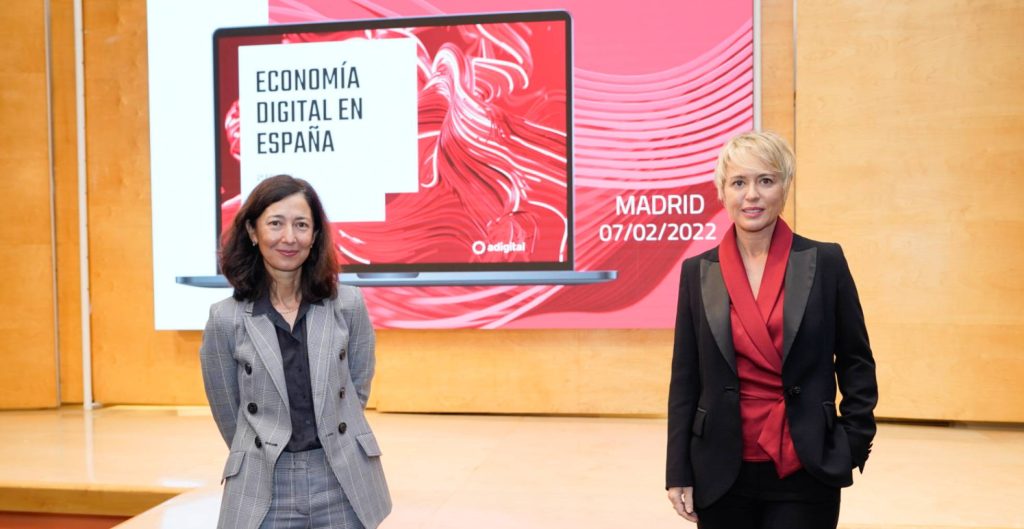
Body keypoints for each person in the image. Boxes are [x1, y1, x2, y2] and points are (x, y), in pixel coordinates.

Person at [665, 131, 877, 529]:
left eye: (766, 180)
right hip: (719, 468)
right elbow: (685, 379)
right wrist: (678, 470)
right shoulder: (697, 273)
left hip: (806, 464)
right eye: (738, 182)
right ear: (721, 191)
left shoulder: (826, 262)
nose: (752, 196)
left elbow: (856, 360)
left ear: (785, 186)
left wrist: (851, 443)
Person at [200, 175, 391, 529]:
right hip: (266, 483)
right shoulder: (225, 319)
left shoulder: (347, 305)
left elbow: (356, 387)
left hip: (340, 476)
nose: (289, 237)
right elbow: (228, 410)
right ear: (253, 232)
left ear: (315, 235)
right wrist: (262, 449)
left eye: (301, 225)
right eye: (275, 223)